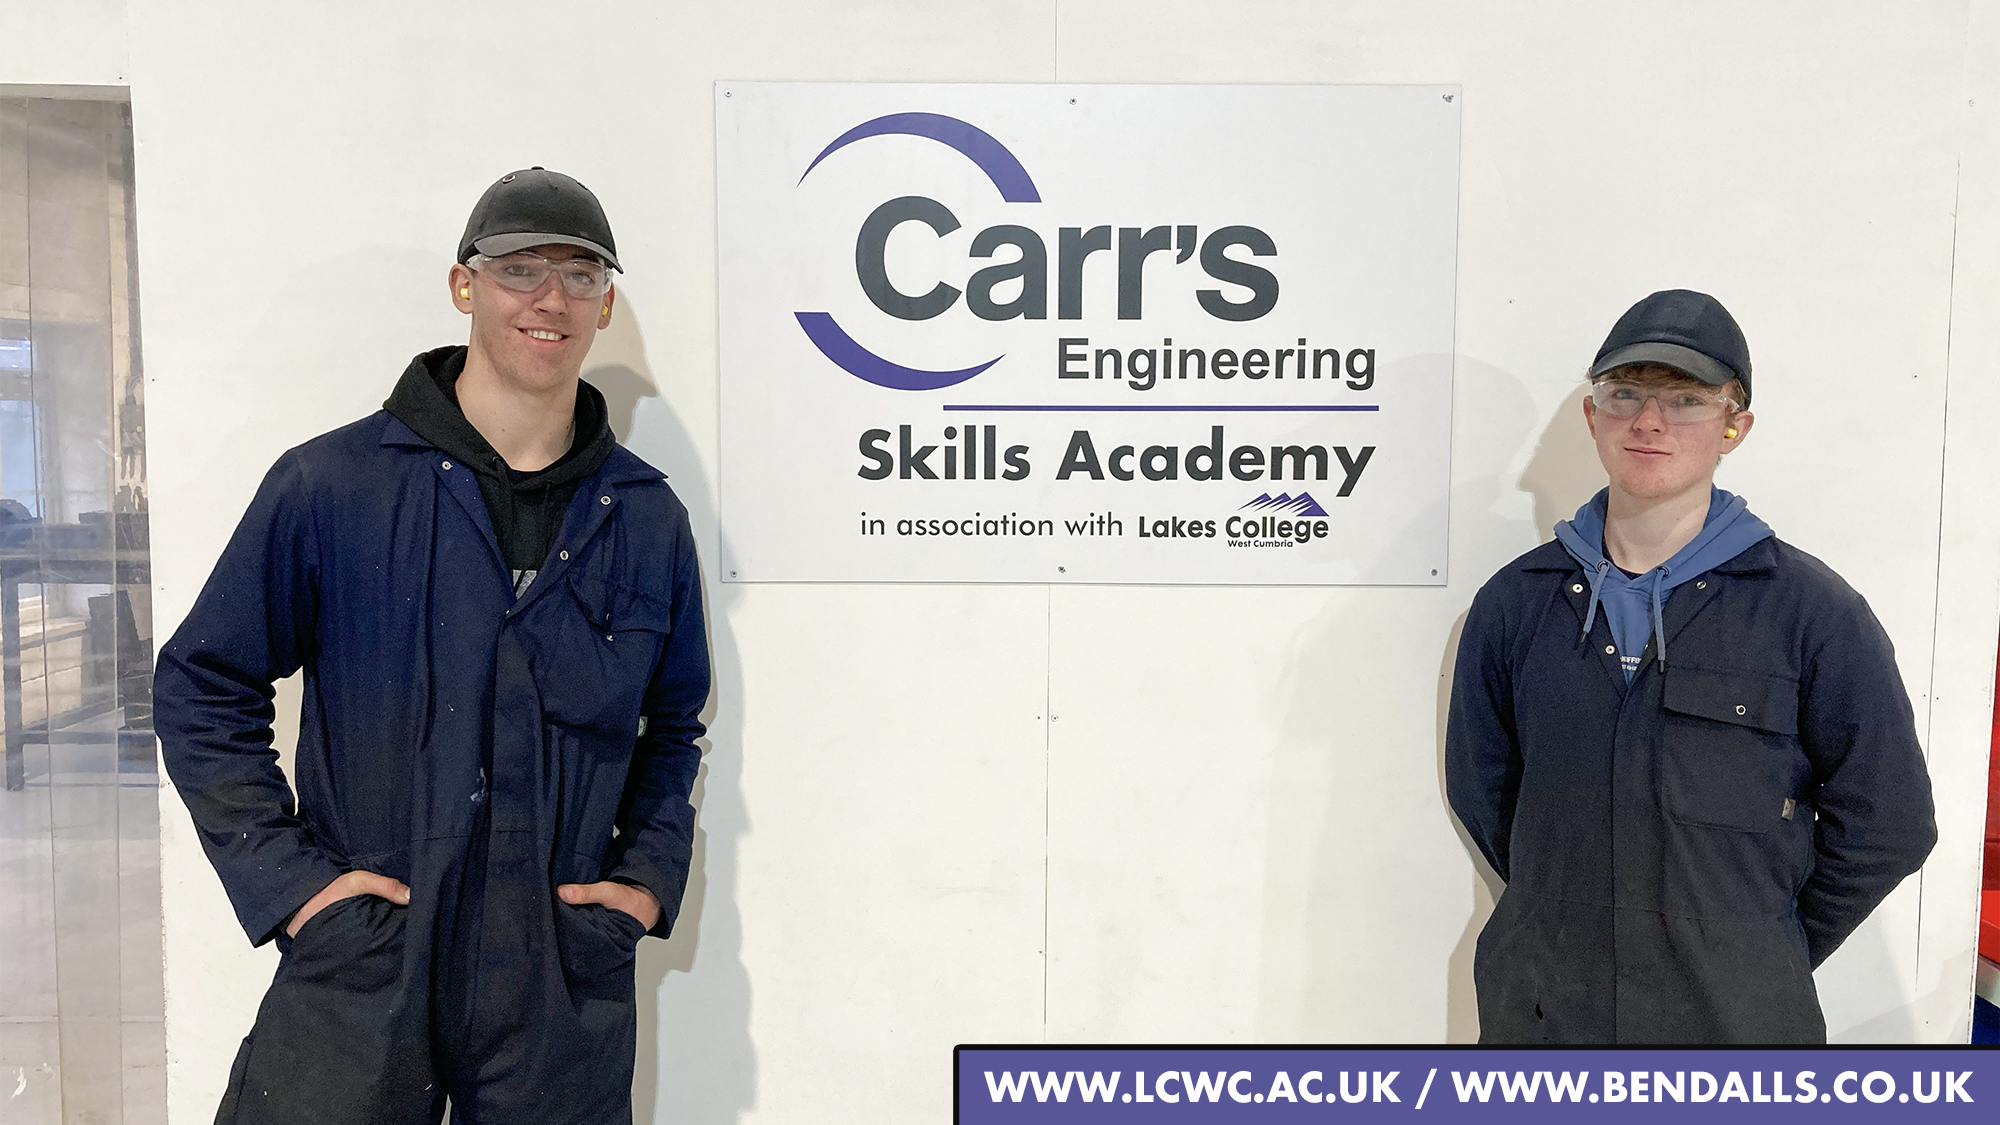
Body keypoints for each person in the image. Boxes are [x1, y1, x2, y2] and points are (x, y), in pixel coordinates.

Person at [155, 168, 710, 1123]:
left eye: (581, 276)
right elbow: (203, 681)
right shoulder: (334, 487)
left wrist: (643, 885)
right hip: (369, 960)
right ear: (464, 286)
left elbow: (674, 726)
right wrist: (296, 888)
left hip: (557, 975)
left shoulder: (645, 517)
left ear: (606, 303)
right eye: (520, 268)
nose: (551, 298)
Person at [1445, 289, 1936, 1043]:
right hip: (1542, 1019)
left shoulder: (1812, 612)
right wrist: (1576, 910)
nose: (1649, 419)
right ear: (1592, 416)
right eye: (1626, 393)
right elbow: (1487, 795)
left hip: (1734, 1031)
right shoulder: (1516, 605)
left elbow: (1890, 822)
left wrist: (1759, 943)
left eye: (1685, 399)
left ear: (1734, 426)